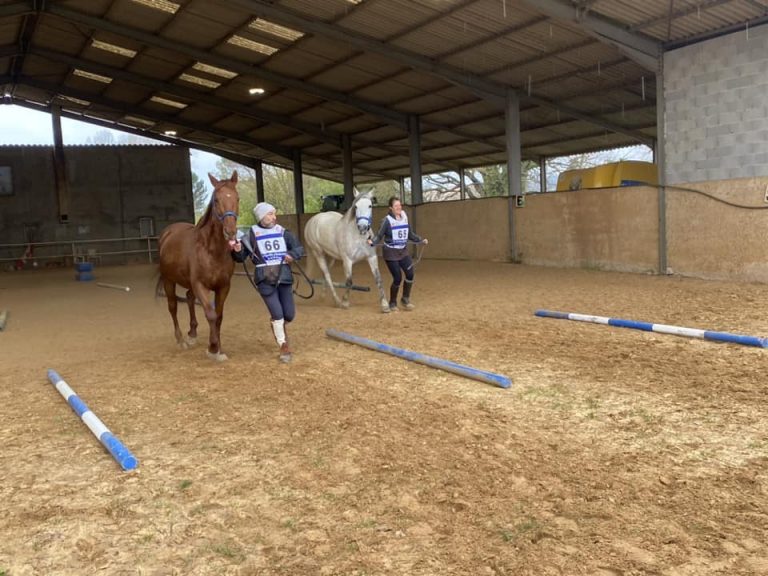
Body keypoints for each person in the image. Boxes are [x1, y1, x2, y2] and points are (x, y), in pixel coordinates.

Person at [231, 202, 304, 363]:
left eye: (274, 213)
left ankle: (278, 326)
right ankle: (283, 345)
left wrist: (292, 254)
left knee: (289, 314)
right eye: (270, 214)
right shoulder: (251, 234)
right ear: (262, 216)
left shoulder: (283, 232)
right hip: (264, 278)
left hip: (284, 276)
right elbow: (241, 257)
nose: (274, 217)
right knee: (277, 314)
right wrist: (237, 251)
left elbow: (299, 248)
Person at [368, 196, 428, 312]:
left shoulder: (404, 217)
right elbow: (379, 235)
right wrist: (373, 242)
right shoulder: (386, 221)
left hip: (403, 251)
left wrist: (420, 240)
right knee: (398, 278)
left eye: (400, 205)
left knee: (410, 274)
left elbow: (410, 234)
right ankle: (392, 302)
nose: (399, 207)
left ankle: (405, 299)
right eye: (396, 206)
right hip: (391, 252)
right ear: (391, 208)